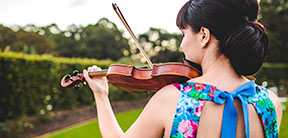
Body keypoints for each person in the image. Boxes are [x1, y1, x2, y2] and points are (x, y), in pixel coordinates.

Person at [83, 0, 282, 137]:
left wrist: (101, 96)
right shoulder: (271, 103)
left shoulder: (172, 99)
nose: (182, 45)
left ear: (203, 35)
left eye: (183, 34)